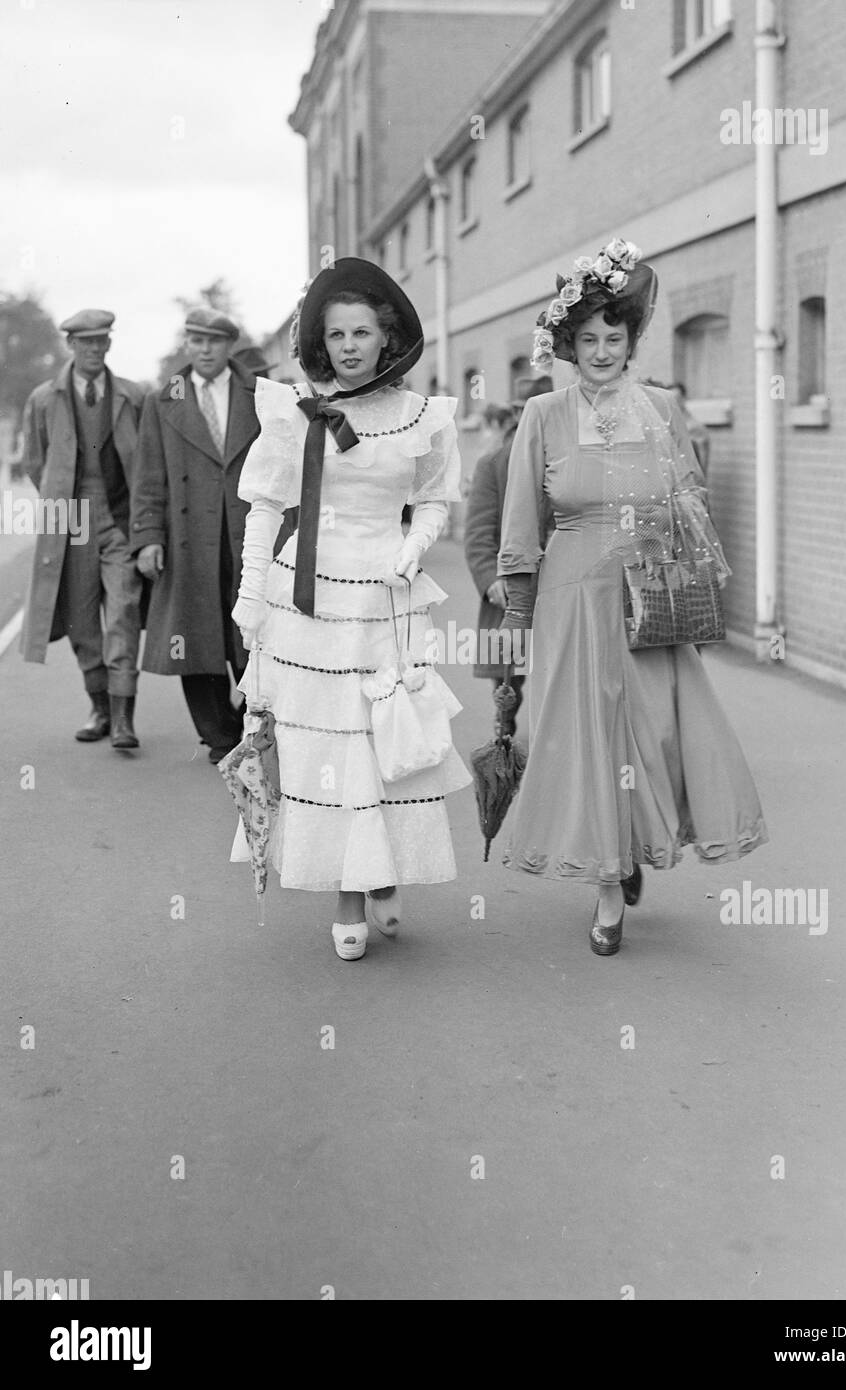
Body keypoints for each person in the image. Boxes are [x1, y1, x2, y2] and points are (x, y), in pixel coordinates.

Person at [497, 238, 768, 957]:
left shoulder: (662, 407)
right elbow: (521, 522)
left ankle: (634, 841)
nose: (600, 351)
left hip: (649, 594)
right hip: (571, 596)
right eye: (585, 339)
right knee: (591, 737)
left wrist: (693, 577)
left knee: (653, 732)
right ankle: (609, 884)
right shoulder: (543, 417)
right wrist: (515, 623)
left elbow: (691, 500)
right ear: (567, 345)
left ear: (630, 340)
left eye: (612, 337)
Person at [229, 257, 472, 961]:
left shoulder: (419, 416)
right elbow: (265, 507)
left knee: (385, 732)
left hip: (385, 598)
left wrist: (414, 543)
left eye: (362, 331)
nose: (349, 346)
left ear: (386, 337)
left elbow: (432, 498)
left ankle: (383, 870)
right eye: (335, 334)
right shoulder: (292, 408)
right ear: (320, 341)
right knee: (325, 743)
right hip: (309, 596)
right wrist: (248, 598)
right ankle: (346, 891)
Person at [130, 308, 282, 762]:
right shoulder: (164, 400)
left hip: (246, 531)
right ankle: (218, 735)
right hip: (187, 537)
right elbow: (148, 474)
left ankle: (249, 719)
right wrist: (147, 537)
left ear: (229, 345)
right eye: (196, 341)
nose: (204, 349)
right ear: (187, 344)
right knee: (193, 636)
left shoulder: (260, 394)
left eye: (214, 341)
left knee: (251, 627)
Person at [19, 309, 145, 749]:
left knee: (124, 612)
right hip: (70, 524)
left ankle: (124, 717)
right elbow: (35, 463)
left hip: (120, 522)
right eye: (85, 342)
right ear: (71, 345)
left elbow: (146, 466)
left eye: (101, 341)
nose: (94, 349)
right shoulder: (43, 399)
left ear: (109, 344)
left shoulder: (132, 396)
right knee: (82, 622)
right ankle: (100, 709)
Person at [464, 377, 553, 734]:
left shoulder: (568, 457)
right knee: (507, 693)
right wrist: (490, 579)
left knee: (559, 684)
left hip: (560, 589)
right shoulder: (494, 464)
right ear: (519, 413)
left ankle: (555, 760)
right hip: (509, 594)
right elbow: (478, 534)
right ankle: (506, 759)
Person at [670, 380, 710, 478]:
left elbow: (702, 459)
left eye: (677, 399)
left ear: (684, 398)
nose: (674, 403)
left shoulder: (694, 427)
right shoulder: (671, 422)